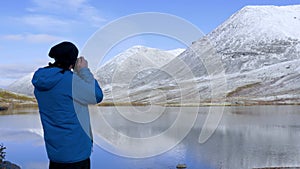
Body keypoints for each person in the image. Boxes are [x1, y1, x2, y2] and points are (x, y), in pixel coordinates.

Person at [32, 41, 103, 169]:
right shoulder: (71, 81)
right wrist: (84, 71)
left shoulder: (40, 81)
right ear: (73, 61)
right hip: (77, 154)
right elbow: (97, 95)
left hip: (55, 154)